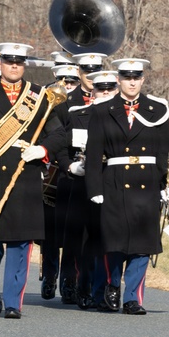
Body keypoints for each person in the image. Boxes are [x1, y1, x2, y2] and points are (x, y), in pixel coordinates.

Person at [0, 42, 65, 318]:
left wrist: (42, 150)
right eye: (9, 61)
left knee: (20, 244)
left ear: (24, 65)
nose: (15, 66)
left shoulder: (40, 96)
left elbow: (58, 134)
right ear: (0, 64)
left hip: (25, 177)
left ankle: (12, 304)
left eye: (19, 61)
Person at [84, 57, 169, 315]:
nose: (132, 82)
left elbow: (165, 150)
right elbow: (93, 154)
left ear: (143, 79)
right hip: (114, 182)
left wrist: (168, 184)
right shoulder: (102, 110)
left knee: (143, 243)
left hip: (146, 183)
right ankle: (112, 284)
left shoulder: (157, 109)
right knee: (114, 240)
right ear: (119, 80)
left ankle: (133, 297)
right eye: (127, 78)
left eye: (137, 78)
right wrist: (95, 189)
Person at [57, 68, 118, 309]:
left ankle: (103, 289)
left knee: (108, 239)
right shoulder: (78, 114)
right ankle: (81, 287)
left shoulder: (123, 118)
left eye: (109, 89)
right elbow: (61, 147)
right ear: (92, 92)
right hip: (81, 184)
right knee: (82, 240)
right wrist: (71, 166)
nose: (104, 93)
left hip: (111, 183)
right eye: (100, 89)